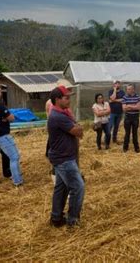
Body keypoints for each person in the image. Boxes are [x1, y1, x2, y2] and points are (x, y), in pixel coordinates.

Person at [47, 86, 84, 227]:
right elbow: (78, 132)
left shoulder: (61, 114)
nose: (69, 100)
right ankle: (72, 220)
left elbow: (77, 130)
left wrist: (76, 126)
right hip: (64, 159)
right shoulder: (59, 116)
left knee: (61, 188)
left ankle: (56, 218)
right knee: (77, 187)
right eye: (66, 98)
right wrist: (77, 126)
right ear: (57, 100)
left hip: (61, 157)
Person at [122, 84, 140, 153]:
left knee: (135, 133)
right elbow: (124, 109)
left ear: (133, 89)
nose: (128, 90)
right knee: (127, 133)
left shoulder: (138, 97)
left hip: (135, 118)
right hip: (128, 117)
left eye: (130, 89)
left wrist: (129, 106)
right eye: (127, 89)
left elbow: (139, 108)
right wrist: (134, 106)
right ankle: (125, 148)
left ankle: (136, 148)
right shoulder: (124, 97)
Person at [108, 80, 125, 144]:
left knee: (116, 126)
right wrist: (114, 90)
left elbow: (123, 99)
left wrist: (114, 100)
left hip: (120, 112)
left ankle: (114, 139)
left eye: (118, 83)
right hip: (112, 112)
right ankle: (107, 139)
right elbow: (112, 98)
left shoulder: (122, 92)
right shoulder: (111, 91)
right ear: (113, 85)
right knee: (110, 126)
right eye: (116, 83)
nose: (117, 84)